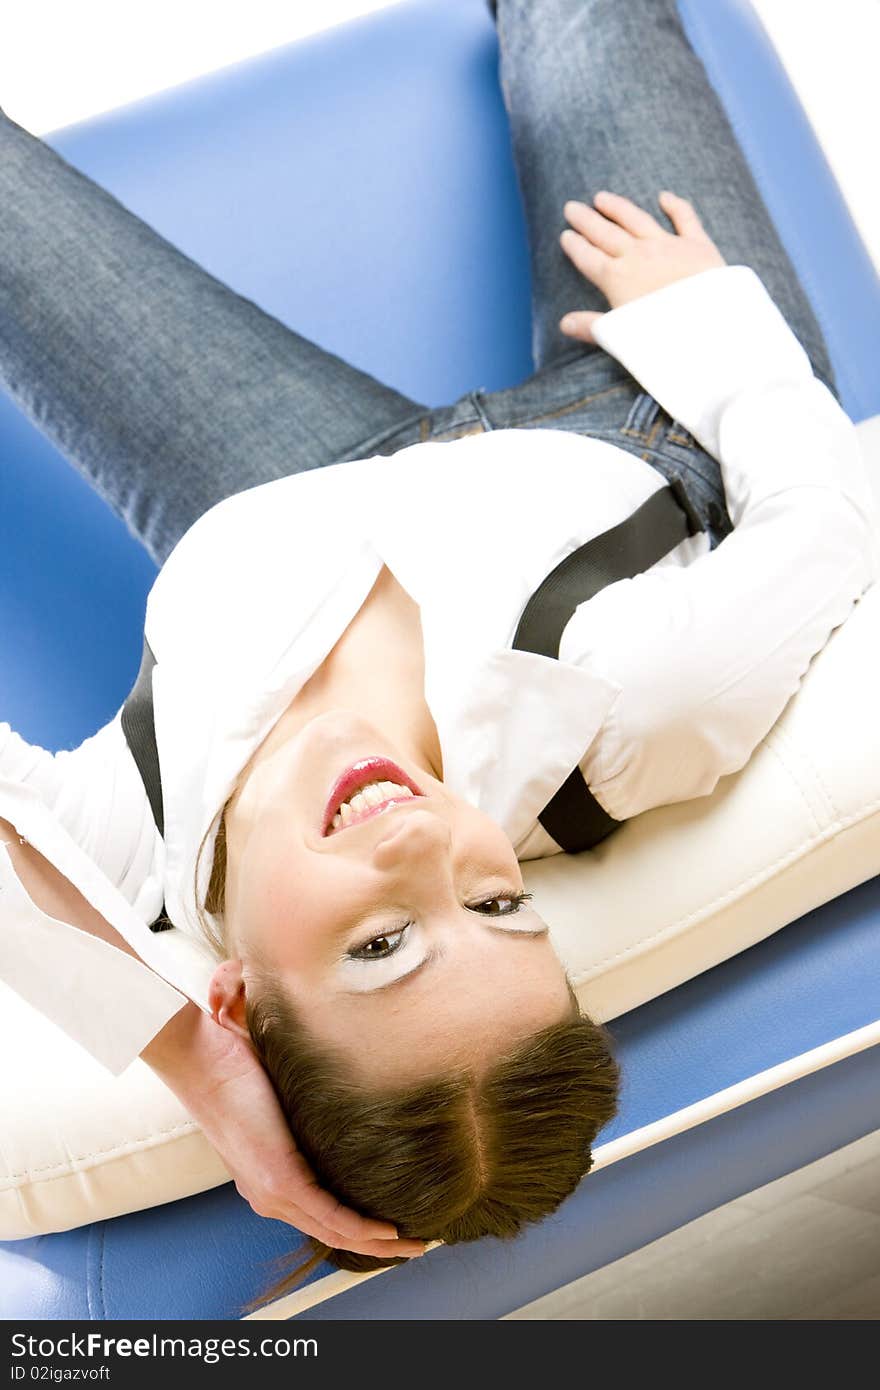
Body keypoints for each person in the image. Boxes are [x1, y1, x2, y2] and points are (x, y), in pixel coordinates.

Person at [1, 0, 875, 1306]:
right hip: (631, 398)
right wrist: (707, 324)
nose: (431, 853)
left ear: (241, 994)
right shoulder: (638, 717)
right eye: (501, 907)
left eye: (377, 945)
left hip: (277, 490)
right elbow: (828, 518)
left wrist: (191, 1063)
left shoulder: (139, 853)